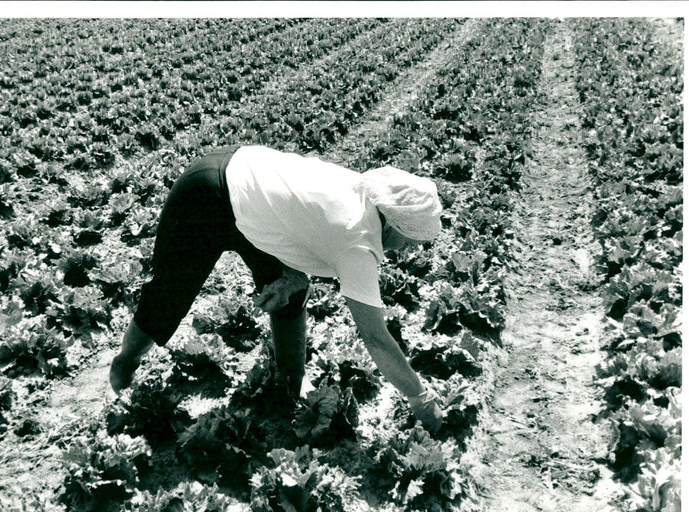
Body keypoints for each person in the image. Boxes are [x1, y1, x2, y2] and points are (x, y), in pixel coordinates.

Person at [109, 145, 444, 434]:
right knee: (169, 294)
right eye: (411, 238)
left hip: (245, 184)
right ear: (394, 223)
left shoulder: (363, 193)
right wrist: (419, 397)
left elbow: (300, 224)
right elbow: (375, 338)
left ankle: (290, 381)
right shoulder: (357, 243)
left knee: (290, 293)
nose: (412, 247)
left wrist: (293, 277)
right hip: (206, 195)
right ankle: (124, 365)